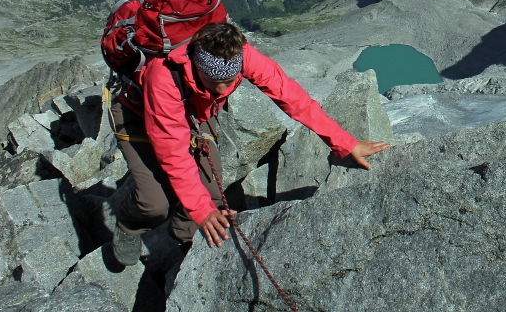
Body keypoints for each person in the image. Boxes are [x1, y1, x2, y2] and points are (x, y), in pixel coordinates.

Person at [110, 22, 391, 265]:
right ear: (195, 64)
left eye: (229, 82)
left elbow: (292, 97)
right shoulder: (164, 77)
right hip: (138, 115)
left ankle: (186, 240)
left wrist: (345, 143)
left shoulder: (241, 54)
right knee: (154, 203)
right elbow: (174, 154)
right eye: (214, 82)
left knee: (212, 192)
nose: (223, 90)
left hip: (194, 108)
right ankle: (128, 224)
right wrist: (202, 211)